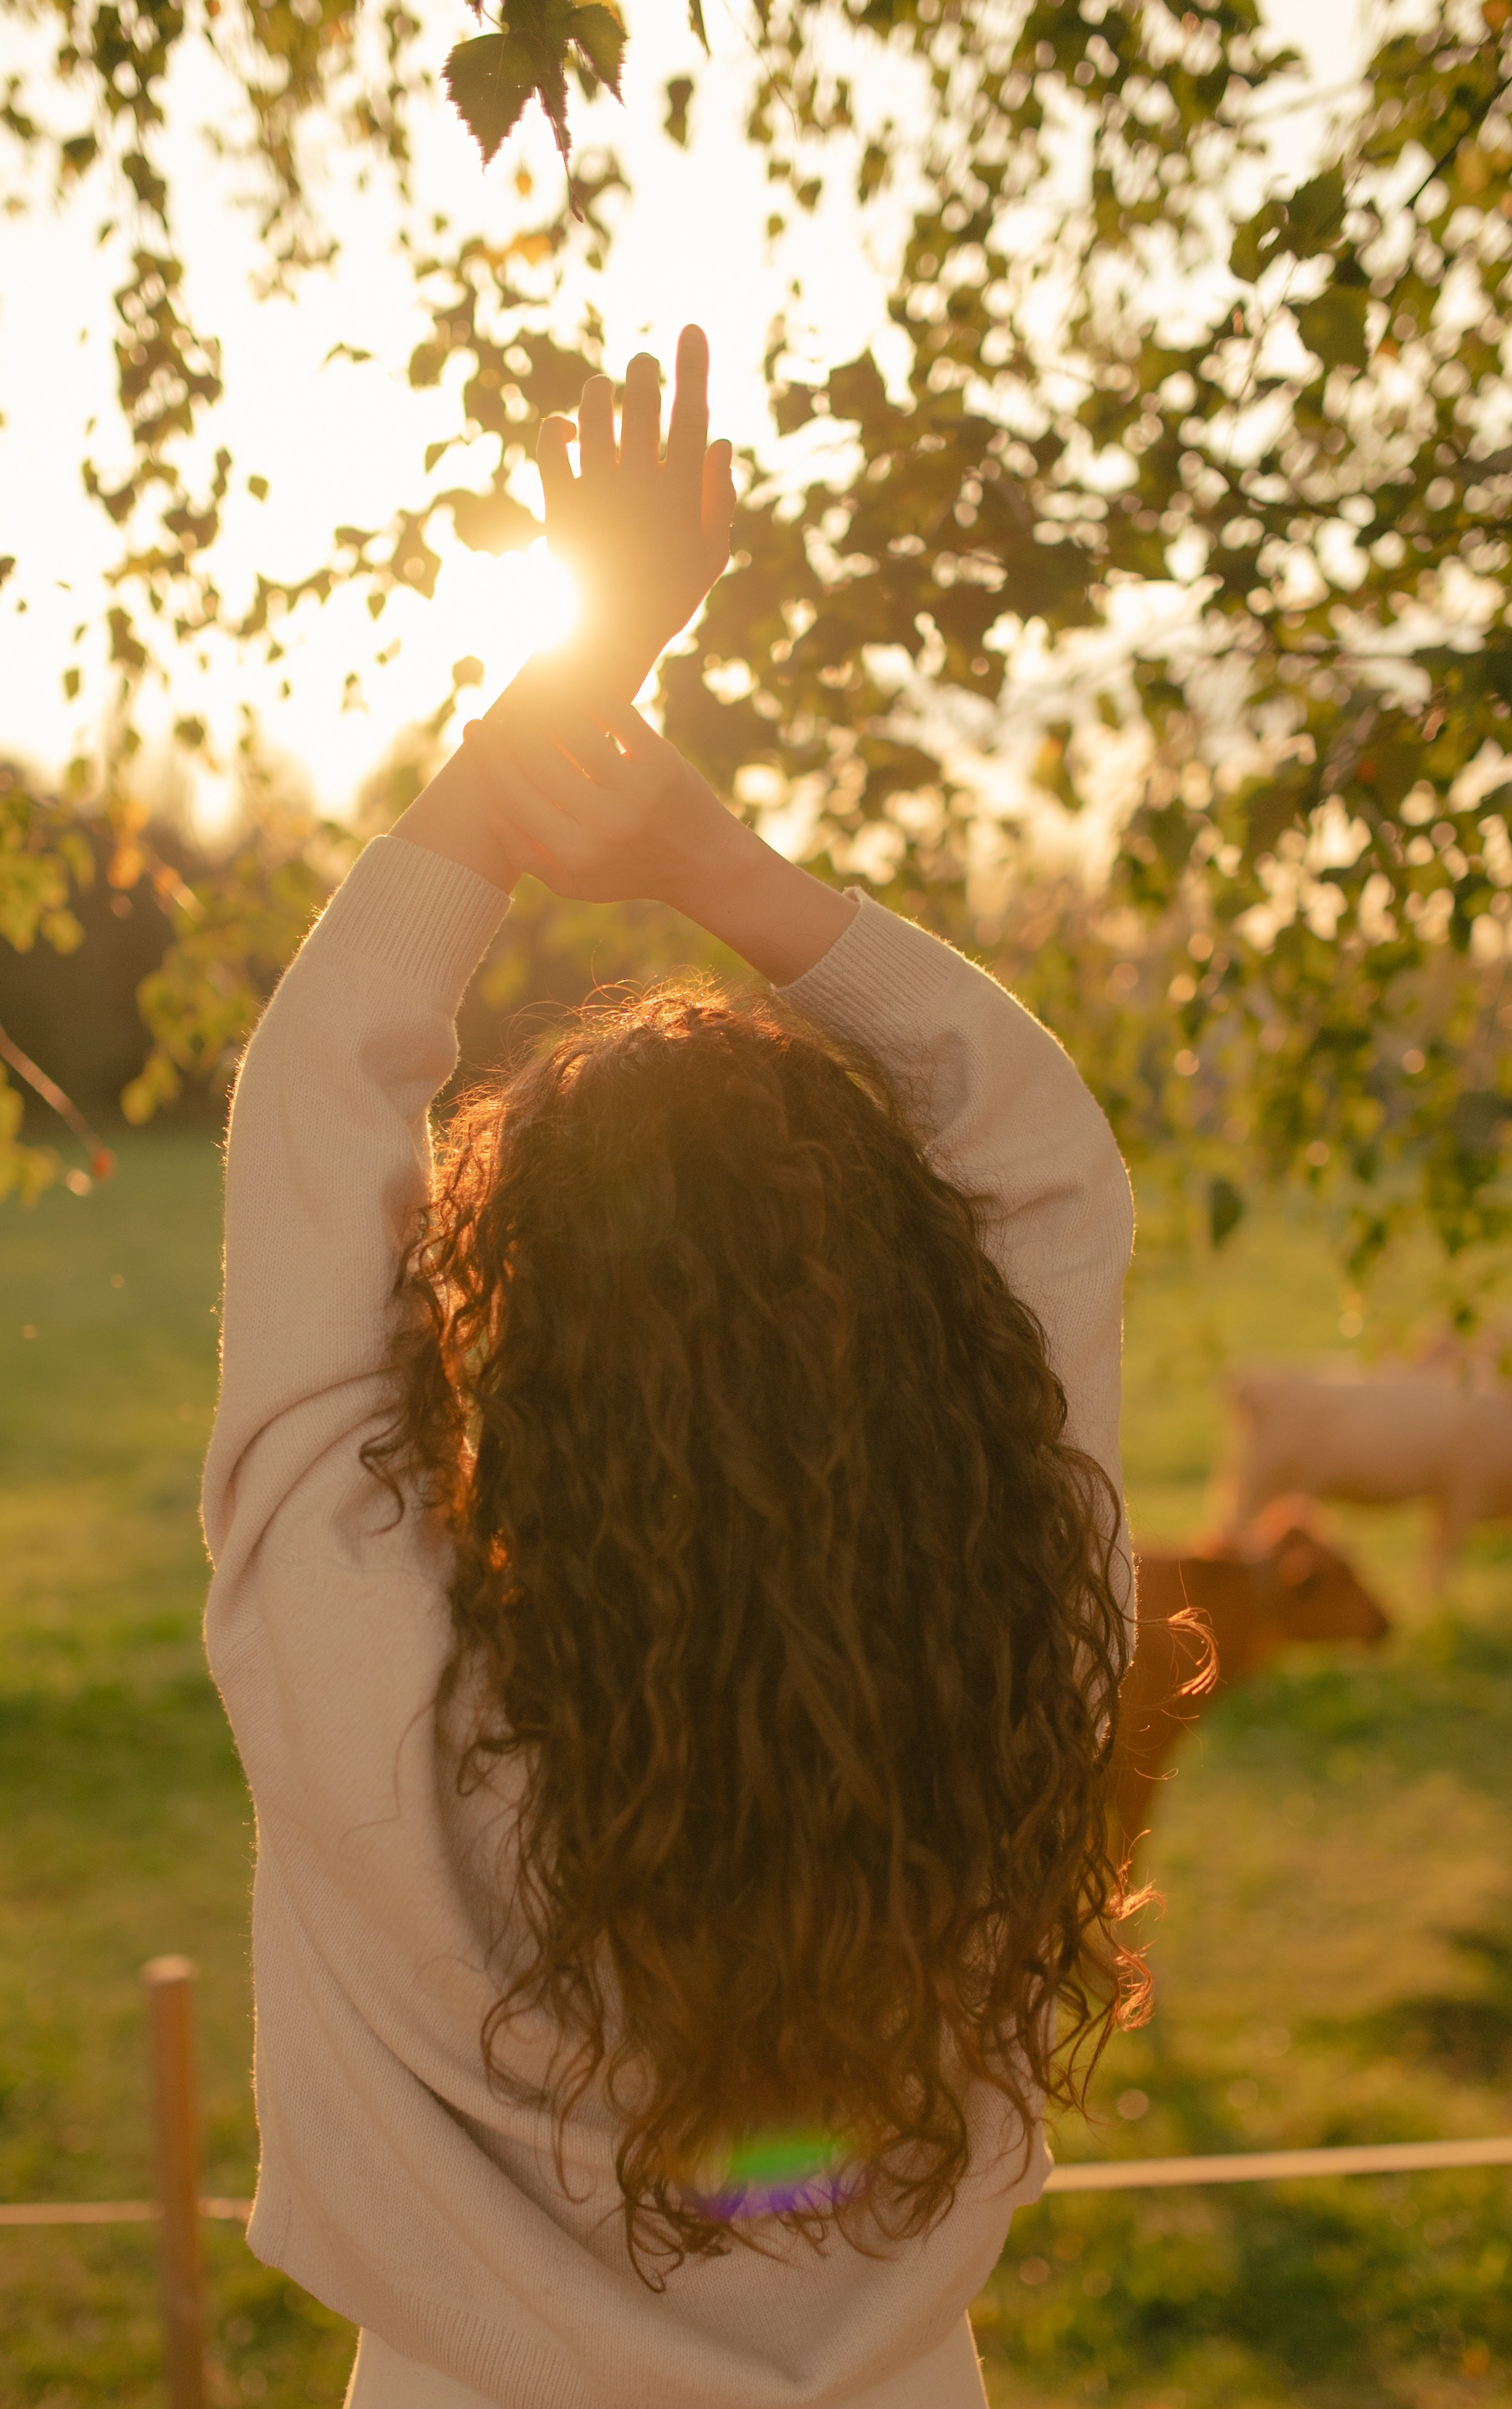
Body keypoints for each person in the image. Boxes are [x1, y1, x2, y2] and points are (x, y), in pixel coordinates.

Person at [203, 327, 1140, 2409]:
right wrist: (725, 871)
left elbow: (300, 1129)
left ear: (498, 1329)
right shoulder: (1008, 1636)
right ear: (924, 1329)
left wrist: (557, 695)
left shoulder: (378, 1663)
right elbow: (1047, 1165)